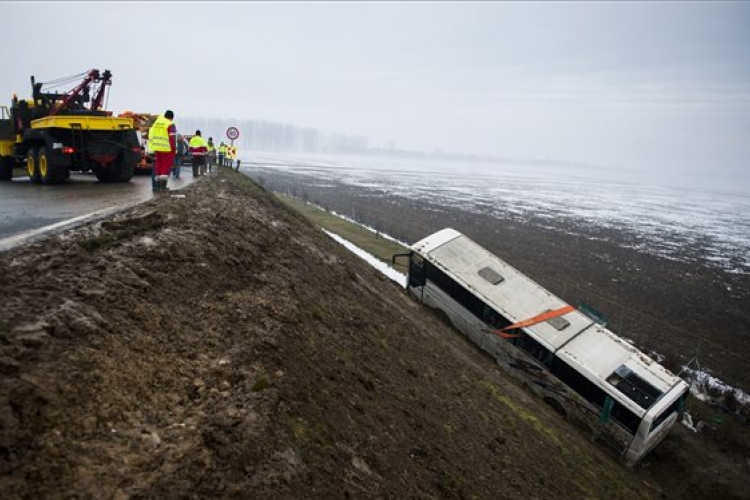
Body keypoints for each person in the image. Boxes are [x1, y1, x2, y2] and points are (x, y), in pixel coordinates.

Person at [147, 110, 176, 192]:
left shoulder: (156, 123)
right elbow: (172, 138)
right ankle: (163, 187)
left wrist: (151, 149)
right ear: (172, 118)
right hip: (166, 148)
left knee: (158, 167)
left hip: (156, 148)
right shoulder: (170, 124)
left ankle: (158, 187)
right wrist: (173, 149)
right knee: (165, 167)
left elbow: (151, 135)